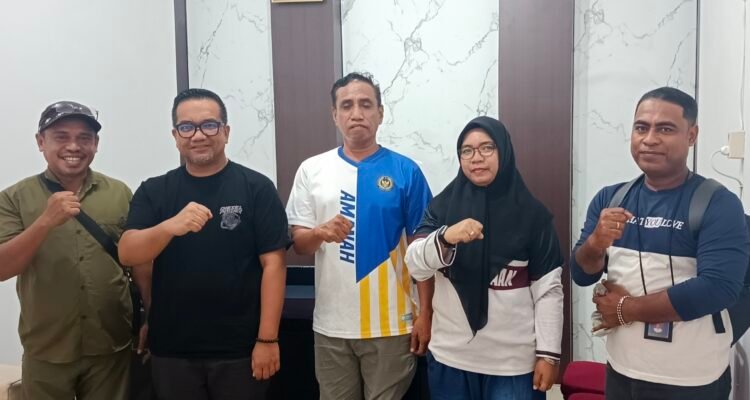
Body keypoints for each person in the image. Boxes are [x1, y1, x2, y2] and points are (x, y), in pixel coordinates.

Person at [571, 87, 750, 399]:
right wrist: (595, 244)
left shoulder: (718, 204)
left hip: (691, 378)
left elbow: (717, 288)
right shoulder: (610, 198)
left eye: (665, 129)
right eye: (641, 127)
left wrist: (626, 309)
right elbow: (581, 273)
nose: (649, 139)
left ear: (691, 135)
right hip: (622, 368)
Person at [117, 88, 289, 400]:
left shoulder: (257, 188)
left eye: (209, 125)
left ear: (226, 131)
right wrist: (170, 226)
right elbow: (128, 252)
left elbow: (274, 265)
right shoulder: (155, 191)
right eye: (187, 127)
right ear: (175, 135)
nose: (198, 135)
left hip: (240, 348)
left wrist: (268, 339)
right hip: (172, 348)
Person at [286, 72, 434, 400]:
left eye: (366, 105)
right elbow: (299, 244)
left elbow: (423, 252)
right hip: (331, 325)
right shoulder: (312, 169)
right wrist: (320, 232)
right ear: (334, 115)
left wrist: (426, 313)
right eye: (347, 105)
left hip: (392, 324)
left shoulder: (406, 171)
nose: (356, 113)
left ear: (380, 113)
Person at [404, 116, 564, 400]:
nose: (476, 158)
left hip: (512, 363)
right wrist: (446, 237)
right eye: (467, 150)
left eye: (487, 148)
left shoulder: (533, 216)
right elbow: (415, 264)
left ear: (504, 151)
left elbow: (548, 290)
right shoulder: (441, 208)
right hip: (450, 357)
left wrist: (548, 355)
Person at [0, 101, 145, 400]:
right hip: (47, 346)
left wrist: (151, 316)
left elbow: (139, 260)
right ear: (41, 142)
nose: (74, 146)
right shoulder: (13, 198)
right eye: (61, 137)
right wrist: (45, 222)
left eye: (84, 138)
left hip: (110, 344)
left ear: (96, 144)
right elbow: (3, 268)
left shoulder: (120, 193)